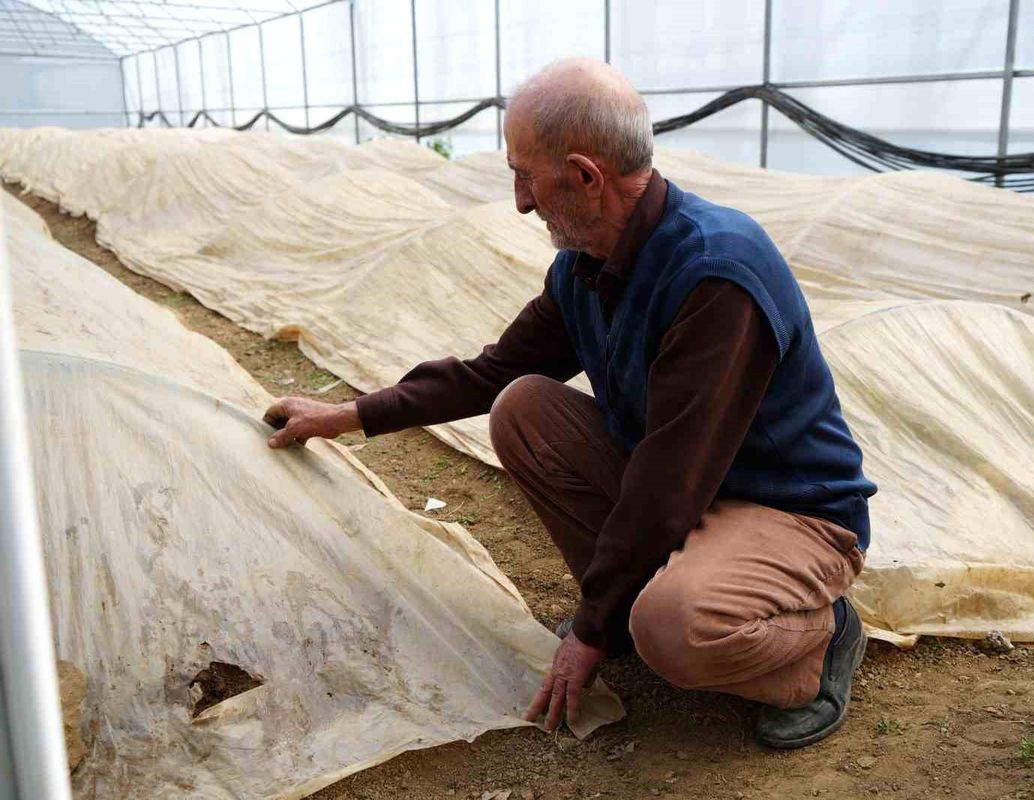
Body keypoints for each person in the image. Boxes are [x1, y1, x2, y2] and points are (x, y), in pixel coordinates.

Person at [263, 57, 877, 749]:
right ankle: (626, 612)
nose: (522, 201)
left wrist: (586, 629)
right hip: (693, 491)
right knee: (524, 406)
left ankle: (817, 647)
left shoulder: (715, 273)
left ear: (586, 176)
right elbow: (494, 371)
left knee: (673, 632)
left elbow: (670, 478)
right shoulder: (585, 265)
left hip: (785, 508)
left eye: (526, 176)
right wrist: (350, 414)